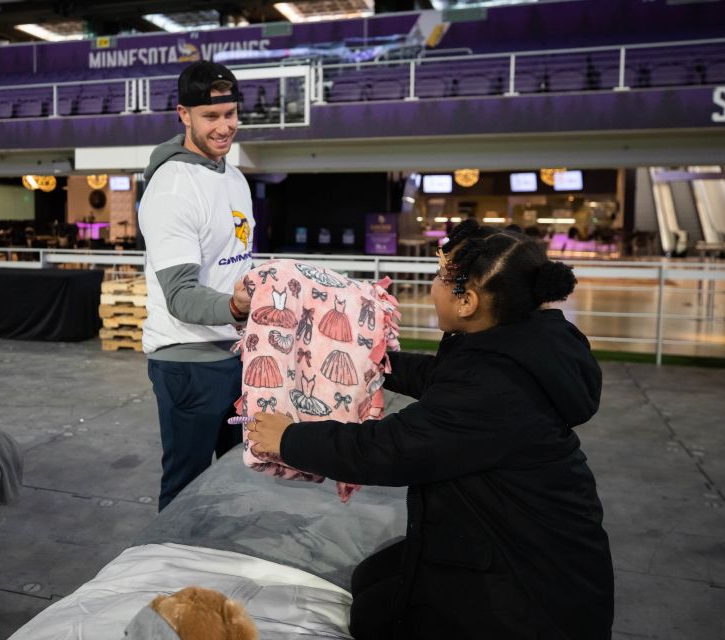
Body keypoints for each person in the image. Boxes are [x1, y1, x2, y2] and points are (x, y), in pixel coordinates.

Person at [248, 219, 614, 639]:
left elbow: (389, 449)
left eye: (441, 277)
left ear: (467, 302)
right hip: (526, 541)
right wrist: (370, 360)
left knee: (376, 616)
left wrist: (288, 438)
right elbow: (441, 377)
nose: (433, 285)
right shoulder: (523, 343)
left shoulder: (494, 386)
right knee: (373, 582)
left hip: (532, 589)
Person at [138, 61, 254, 511]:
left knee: (235, 476)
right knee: (187, 487)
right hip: (190, 364)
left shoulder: (233, 177)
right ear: (183, 115)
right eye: (211, 117)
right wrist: (239, 306)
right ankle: (169, 574)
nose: (224, 127)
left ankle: (216, 571)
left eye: (230, 114)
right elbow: (182, 295)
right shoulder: (172, 186)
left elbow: (235, 261)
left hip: (236, 358)